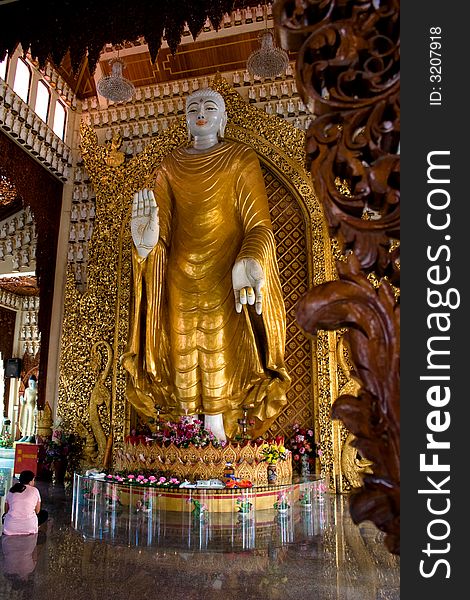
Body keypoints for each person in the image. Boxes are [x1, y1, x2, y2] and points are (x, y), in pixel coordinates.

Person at [122, 88, 290, 442]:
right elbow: (160, 229)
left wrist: (249, 258)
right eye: (192, 108)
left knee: (220, 344)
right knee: (181, 345)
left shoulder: (239, 158)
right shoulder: (170, 165)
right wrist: (146, 246)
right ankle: (184, 430)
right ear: (185, 119)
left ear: (223, 118)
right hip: (179, 274)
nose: (200, 113)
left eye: (210, 107)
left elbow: (259, 225)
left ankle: (216, 428)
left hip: (225, 272)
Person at [2, 470, 48, 536]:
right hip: (29, 527)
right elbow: (37, 511)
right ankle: (34, 526)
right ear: (30, 481)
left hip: (10, 528)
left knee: (4, 516)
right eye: (33, 480)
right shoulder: (35, 490)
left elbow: (6, 510)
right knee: (44, 513)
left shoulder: (12, 490)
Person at [18, 376, 38, 443]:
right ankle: (24, 435)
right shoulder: (27, 390)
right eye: (30, 383)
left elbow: (36, 401)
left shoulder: (36, 391)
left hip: (32, 408)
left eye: (32, 383)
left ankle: (30, 435)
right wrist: (22, 400)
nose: (31, 384)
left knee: (31, 422)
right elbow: (24, 399)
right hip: (26, 408)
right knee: (25, 421)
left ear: (35, 383)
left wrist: (36, 408)